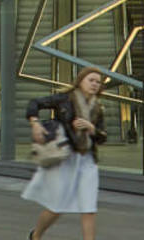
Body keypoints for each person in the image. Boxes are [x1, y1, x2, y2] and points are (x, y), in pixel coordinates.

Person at [23, 67, 108, 240]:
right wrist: (35, 124)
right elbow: (35, 103)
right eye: (91, 80)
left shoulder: (98, 108)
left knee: (89, 207)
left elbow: (102, 137)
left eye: (98, 82)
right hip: (65, 158)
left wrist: (92, 128)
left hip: (87, 159)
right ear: (80, 80)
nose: (94, 84)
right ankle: (36, 235)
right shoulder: (65, 99)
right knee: (57, 206)